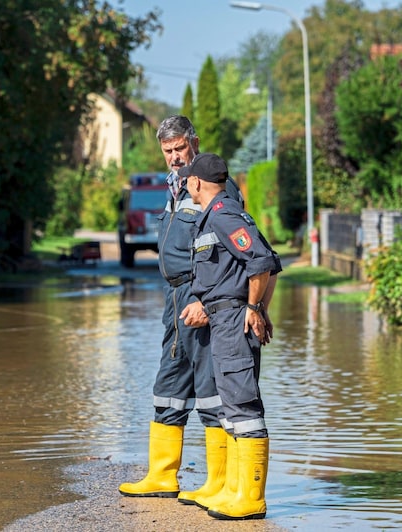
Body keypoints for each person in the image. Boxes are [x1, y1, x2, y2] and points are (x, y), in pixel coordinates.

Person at [119, 116, 237, 503]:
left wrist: (205, 299)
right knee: (169, 385)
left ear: (195, 142)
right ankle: (162, 476)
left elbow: (228, 251)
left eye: (179, 149)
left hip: (200, 296)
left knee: (210, 390)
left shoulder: (218, 188)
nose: (173, 157)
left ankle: (218, 482)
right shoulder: (173, 188)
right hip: (173, 300)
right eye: (167, 151)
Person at [179, 152, 280, 520]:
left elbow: (263, 262)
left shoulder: (223, 214)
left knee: (243, 406)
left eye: (188, 179)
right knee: (232, 408)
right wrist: (258, 308)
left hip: (234, 320)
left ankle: (251, 497)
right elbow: (270, 262)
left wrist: (254, 309)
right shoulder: (218, 214)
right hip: (223, 322)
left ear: (197, 183)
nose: (186, 184)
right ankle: (238, 491)